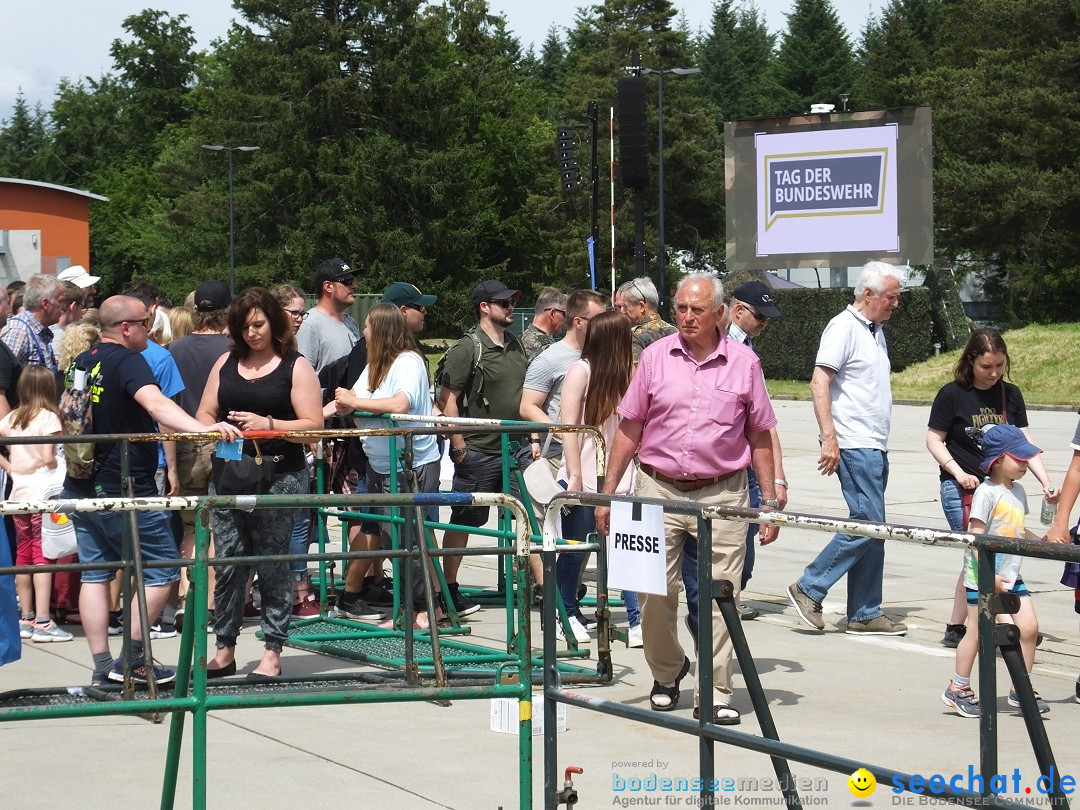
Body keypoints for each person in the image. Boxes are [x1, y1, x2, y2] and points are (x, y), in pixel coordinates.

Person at [595, 273, 781, 725]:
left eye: (697, 309)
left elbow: (759, 433)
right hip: (657, 489)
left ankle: (715, 689)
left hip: (723, 493)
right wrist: (607, 493)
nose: (687, 317)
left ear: (719, 313)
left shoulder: (744, 363)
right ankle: (668, 670)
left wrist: (770, 500)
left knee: (721, 595)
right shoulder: (655, 358)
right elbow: (630, 427)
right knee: (653, 592)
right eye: (681, 308)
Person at [64, 295, 241, 686]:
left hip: (81, 482)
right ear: (126, 328)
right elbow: (156, 404)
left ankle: (102, 667)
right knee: (162, 566)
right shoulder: (128, 360)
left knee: (95, 574)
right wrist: (202, 428)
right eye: (145, 322)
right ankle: (134, 661)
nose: (153, 328)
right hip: (122, 485)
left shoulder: (84, 358)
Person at [197, 288, 322, 681]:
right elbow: (203, 411)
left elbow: (313, 427)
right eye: (244, 326)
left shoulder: (295, 366)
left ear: (274, 322)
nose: (251, 333)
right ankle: (224, 648)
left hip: (281, 477)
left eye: (259, 325)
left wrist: (270, 426)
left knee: (272, 562)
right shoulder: (225, 361)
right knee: (229, 562)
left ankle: (272, 649)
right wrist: (215, 426)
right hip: (230, 475)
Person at [788, 261, 908, 636]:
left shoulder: (875, 330)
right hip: (854, 443)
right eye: (891, 297)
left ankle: (865, 610)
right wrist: (829, 438)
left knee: (875, 529)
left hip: (873, 444)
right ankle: (810, 586)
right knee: (869, 524)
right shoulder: (844, 327)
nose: (895, 304)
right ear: (868, 294)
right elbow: (819, 382)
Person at [926, 328, 1056, 648]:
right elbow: (934, 439)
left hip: (1001, 488)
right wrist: (957, 473)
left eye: (999, 365)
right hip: (964, 488)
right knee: (983, 554)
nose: (994, 373)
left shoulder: (1009, 394)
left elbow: (1024, 442)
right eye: (987, 367)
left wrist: (1046, 480)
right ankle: (1006, 625)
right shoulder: (952, 394)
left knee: (977, 556)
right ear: (971, 361)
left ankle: (958, 626)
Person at [682, 280, 788, 631]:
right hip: (706, 475)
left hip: (740, 470)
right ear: (737, 311)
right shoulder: (726, 349)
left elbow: (762, 422)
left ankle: (715, 612)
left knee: (740, 561)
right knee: (715, 564)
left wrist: (776, 478)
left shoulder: (747, 353)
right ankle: (708, 618)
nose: (764, 325)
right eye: (760, 317)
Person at [940, 424, 1063, 718]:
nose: (1024, 464)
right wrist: (989, 578)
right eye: (1018, 459)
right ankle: (958, 687)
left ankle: (1021, 688)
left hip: (1010, 575)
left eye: (1026, 459)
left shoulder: (1018, 491)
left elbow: (1018, 529)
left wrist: (1043, 543)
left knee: (1029, 629)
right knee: (980, 634)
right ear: (996, 460)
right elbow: (976, 539)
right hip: (983, 576)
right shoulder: (986, 493)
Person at [334, 303, 445, 627]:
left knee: (412, 538)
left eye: (367, 326)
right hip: (381, 464)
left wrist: (354, 403)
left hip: (411, 464)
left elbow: (400, 404)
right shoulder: (375, 363)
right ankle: (414, 607)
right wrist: (298, 422)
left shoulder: (408, 361)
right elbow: (345, 400)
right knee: (393, 538)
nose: (363, 332)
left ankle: (425, 608)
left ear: (381, 330)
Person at [437, 280, 527, 616]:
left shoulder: (516, 345)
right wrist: (460, 446)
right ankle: (448, 591)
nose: (510, 308)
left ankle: (547, 594)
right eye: (502, 303)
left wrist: (529, 440)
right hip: (478, 452)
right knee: (464, 523)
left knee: (527, 518)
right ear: (484, 307)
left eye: (511, 302)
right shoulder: (467, 348)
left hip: (514, 452)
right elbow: (448, 401)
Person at [520, 289, 607, 634]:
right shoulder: (551, 359)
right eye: (599, 318)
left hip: (593, 459)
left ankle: (567, 608)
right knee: (568, 540)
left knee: (584, 539)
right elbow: (527, 406)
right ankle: (560, 611)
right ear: (579, 321)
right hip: (562, 461)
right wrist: (561, 431)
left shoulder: (599, 357)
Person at [556, 311, 637, 645]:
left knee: (629, 549)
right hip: (585, 472)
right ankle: (565, 613)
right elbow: (569, 428)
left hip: (621, 475)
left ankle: (636, 619)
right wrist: (574, 474)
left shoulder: (628, 374)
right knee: (576, 548)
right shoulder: (581, 370)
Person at [168, 281, 234, 628]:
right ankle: (209, 604)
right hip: (227, 443)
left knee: (192, 526)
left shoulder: (173, 349)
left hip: (185, 444)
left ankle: (185, 599)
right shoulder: (235, 350)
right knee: (223, 526)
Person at [1, 366, 72, 643]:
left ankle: (26, 616)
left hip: (18, 493)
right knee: (43, 553)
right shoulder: (48, 418)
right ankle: (44, 619)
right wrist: (35, 463)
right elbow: (49, 458)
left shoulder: (12, 417)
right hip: (43, 492)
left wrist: (11, 467)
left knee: (23, 552)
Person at [295, 257, 360, 374]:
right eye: (347, 281)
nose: (354, 286)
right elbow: (302, 377)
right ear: (328, 287)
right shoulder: (309, 325)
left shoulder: (351, 322)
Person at [0, 274, 64, 373]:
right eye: (60, 301)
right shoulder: (19, 331)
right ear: (45, 303)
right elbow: (4, 375)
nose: (63, 307)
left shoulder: (42, 331)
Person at [613, 277, 676, 366]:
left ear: (641, 306)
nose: (623, 311)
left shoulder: (636, 337)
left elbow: (636, 376)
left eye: (625, 307)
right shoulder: (675, 332)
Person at [521, 287, 568, 363]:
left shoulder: (535, 338)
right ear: (552, 313)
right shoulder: (536, 344)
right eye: (565, 314)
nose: (566, 321)